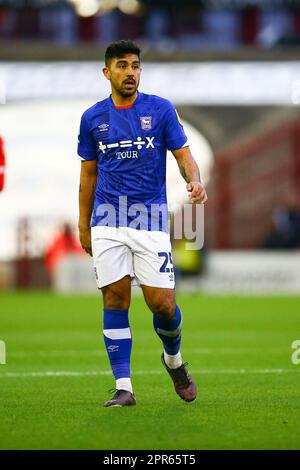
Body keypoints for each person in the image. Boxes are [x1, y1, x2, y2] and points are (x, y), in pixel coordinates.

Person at [77, 40, 208, 408]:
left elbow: (184, 155)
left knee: (162, 304)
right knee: (115, 298)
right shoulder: (92, 118)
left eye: (135, 65)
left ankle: (173, 361)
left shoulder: (160, 109)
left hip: (149, 220)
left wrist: (194, 180)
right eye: (122, 65)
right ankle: (124, 387)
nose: (130, 72)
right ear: (107, 72)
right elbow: (87, 176)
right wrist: (83, 225)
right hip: (107, 218)